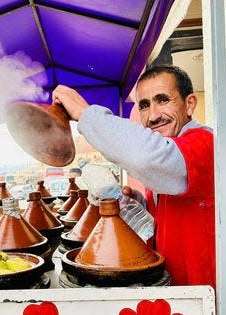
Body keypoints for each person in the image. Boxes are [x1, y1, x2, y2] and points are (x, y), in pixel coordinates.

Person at [52, 65, 215, 288]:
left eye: (163, 100)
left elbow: (146, 157)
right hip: (176, 293)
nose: (153, 116)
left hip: (207, 298)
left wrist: (84, 113)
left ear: (189, 104)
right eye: (145, 105)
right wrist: (137, 203)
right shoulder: (171, 153)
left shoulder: (206, 143)